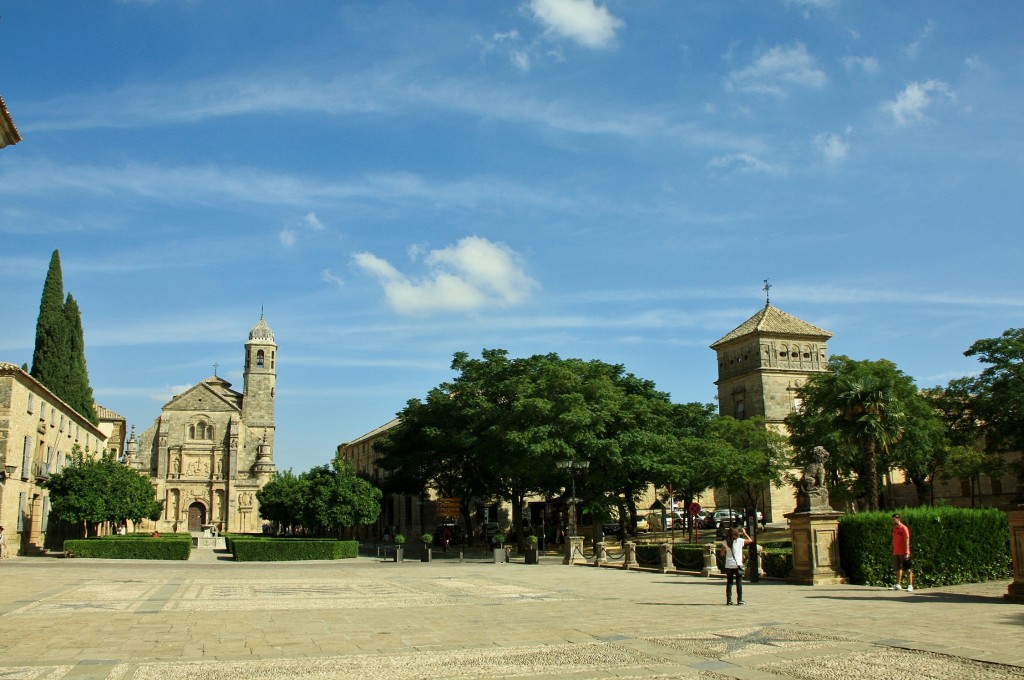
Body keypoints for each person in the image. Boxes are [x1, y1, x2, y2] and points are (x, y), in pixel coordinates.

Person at [721, 525, 751, 605]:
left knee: (729, 582)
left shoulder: (725, 542)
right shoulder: (740, 541)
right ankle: (740, 600)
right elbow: (750, 540)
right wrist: (744, 533)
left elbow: (722, 553)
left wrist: (727, 551)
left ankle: (729, 600)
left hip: (729, 564)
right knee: (739, 583)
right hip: (738, 564)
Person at [891, 513, 914, 592]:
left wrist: (907, 552)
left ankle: (910, 585)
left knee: (908, 569)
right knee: (898, 568)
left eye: (894, 519)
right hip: (896, 552)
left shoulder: (904, 528)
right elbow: (894, 539)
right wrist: (893, 549)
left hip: (904, 552)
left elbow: (907, 540)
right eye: (892, 519)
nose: (893, 521)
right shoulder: (894, 528)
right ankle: (898, 584)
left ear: (898, 519)